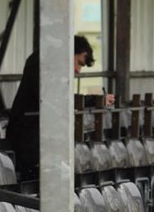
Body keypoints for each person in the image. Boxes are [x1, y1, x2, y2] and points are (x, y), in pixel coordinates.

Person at [7, 36, 113, 177]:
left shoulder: (45, 61)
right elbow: (54, 98)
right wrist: (94, 100)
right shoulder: (42, 62)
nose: (78, 70)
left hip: (36, 135)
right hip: (29, 136)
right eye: (78, 63)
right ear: (70, 52)